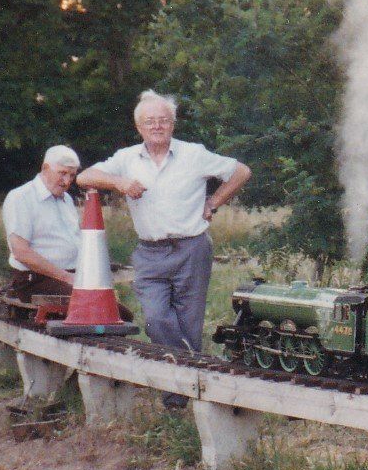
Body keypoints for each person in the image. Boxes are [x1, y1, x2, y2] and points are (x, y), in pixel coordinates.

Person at [78, 92, 251, 403]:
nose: (157, 126)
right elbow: (84, 176)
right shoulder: (126, 159)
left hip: (192, 248)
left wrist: (214, 201)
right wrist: (119, 182)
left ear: (173, 124)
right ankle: (191, 372)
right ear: (138, 127)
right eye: (149, 121)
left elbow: (241, 172)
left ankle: (180, 398)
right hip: (149, 253)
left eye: (163, 120)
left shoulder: (193, 154)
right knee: (156, 319)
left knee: (189, 322)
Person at [1, 145, 81, 299]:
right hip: (35, 280)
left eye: (72, 175)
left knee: (115, 307)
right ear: (45, 168)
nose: (67, 181)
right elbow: (21, 253)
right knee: (94, 303)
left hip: (71, 276)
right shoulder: (21, 197)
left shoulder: (67, 199)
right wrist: (66, 277)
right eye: (62, 173)